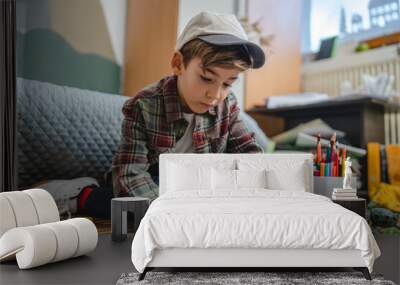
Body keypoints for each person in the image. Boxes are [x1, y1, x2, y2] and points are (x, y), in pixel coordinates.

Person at [40, 11, 266, 218]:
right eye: (206, 78)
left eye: (228, 83)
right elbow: (129, 173)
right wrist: (171, 212)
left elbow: (250, 154)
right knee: (126, 209)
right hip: (150, 179)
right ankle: (77, 194)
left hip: (197, 187)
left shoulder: (227, 105)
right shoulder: (144, 105)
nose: (216, 94)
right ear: (178, 64)